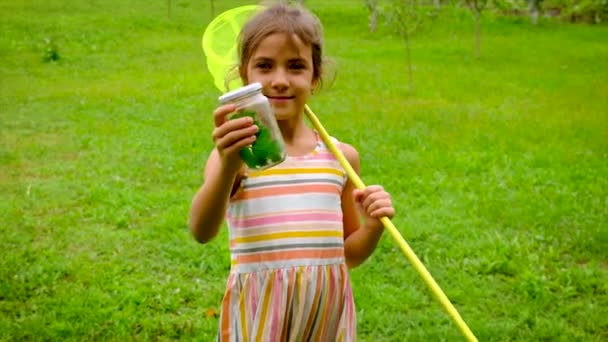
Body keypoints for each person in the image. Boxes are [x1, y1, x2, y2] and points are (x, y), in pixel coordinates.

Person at [189, 3, 395, 341]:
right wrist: (227, 167)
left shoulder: (341, 159)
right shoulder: (237, 157)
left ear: (314, 77)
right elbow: (201, 230)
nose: (280, 80)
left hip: (323, 318)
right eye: (265, 66)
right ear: (245, 74)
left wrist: (373, 227)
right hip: (261, 316)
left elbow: (349, 255)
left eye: (296, 66)